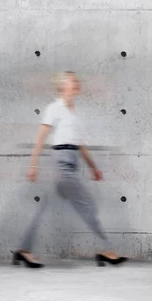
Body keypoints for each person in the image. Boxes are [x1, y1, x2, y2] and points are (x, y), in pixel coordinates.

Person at [13, 71, 128, 268]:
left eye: (77, 80)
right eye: (72, 81)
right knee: (88, 206)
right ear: (62, 85)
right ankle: (108, 251)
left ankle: (24, 251)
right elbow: (41, 138)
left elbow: (80, 144)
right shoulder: (54, 108)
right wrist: (33, 165)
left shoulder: (73, 112)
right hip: (61, 162)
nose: (77, 83)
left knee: (45, 208)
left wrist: (93, 168)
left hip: (72, 161)